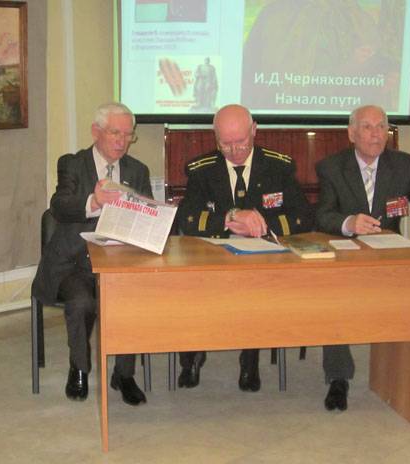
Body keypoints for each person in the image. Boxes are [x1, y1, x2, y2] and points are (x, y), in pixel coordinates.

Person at [315, 104, 410, 411]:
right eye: (367, 127)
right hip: (347, 256)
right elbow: (322, 215)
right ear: (352, 134)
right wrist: (348, 222)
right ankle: (338, 377)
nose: (376, 134)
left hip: (390, 258)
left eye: (381, 127)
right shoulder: (331, 167)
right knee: (332, 287)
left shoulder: (404, 165)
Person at [176, 104, 313, 391]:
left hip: (261, 258)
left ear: (254, 131)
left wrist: (261, 223)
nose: (234, 151)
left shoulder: (278, 167)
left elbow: (303, 217)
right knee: (188, 287)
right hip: (212, 257)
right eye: (225, 144)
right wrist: (229, 218)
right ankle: (191, 355)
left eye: (240, 142)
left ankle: (250, 358)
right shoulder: (202, 169)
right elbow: (187, 219)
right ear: (216, 138)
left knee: (256, 287)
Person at [32, 102, 152, 406]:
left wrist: (152, 217)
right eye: (115, 133)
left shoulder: (138, 171)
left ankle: (123, 375)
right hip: (75, 262)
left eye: (128, 135)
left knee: (131, 301)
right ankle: (79, 368)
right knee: (82, 302)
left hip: (119, 263)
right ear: (96, 131)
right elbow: (59, 206)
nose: (122, 141)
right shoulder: (72, 164)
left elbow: (147, 215)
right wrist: (94, 202)